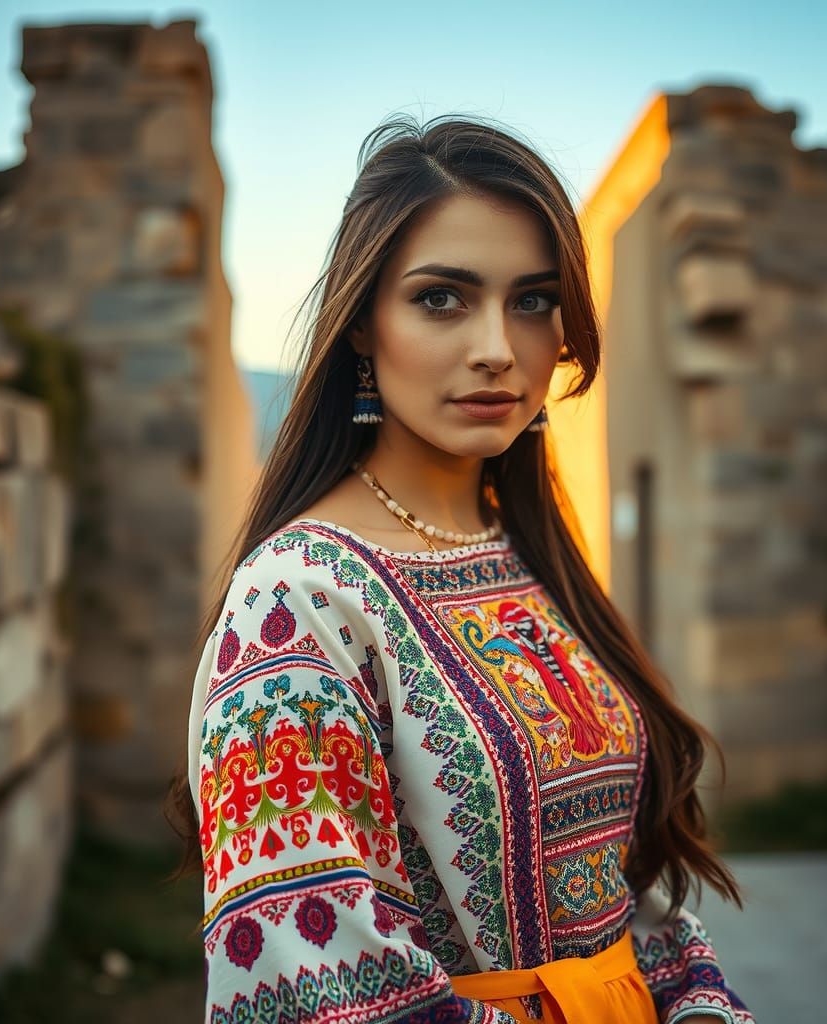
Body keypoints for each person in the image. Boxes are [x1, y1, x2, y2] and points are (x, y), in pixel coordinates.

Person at [167, 114, 756, 1024]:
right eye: (443, 298)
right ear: (363, 322)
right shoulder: (296, 605)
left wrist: (697, 997)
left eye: (533, 300)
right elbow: (322, 990)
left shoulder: (527, 554)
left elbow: (614, 893)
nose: (497, 347)